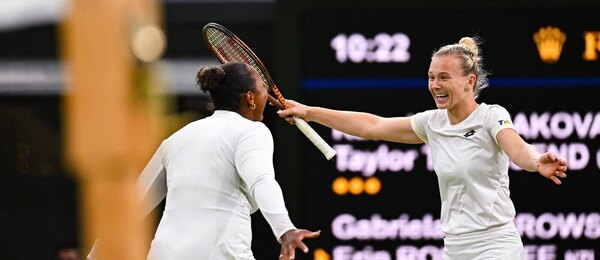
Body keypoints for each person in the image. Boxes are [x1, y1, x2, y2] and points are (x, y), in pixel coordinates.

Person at [277, 37, 567, 259]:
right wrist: (310, 112)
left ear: (470, 82)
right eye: (431, 76)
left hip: (496, 245)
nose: (435, 85)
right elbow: (372, 126)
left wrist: (536, 160)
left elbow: (518, 148)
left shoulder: (491, 115)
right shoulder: (432, 123)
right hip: (454, 248)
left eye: (444, 77)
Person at [137, 62, 320, 259]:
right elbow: (261, 181)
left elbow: (132, 202)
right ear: (250, 97)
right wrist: (285, 229)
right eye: (262, 87)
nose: (266, 95)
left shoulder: (174, 139)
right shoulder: (251, 131)